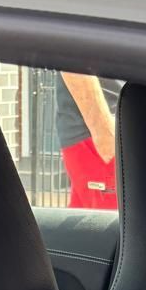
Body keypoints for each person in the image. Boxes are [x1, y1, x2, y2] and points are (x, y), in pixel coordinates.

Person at [57, 73, 123, 209]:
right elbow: (74, 59)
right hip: (102, 136)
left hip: (114, 132)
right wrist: (103, 130)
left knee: (86, 225)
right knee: (112, 226)